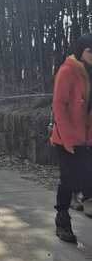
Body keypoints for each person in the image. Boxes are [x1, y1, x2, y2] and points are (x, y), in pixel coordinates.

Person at [51, 33, 92, 244]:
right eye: (90, 51)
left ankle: (85, 204)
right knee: (68, 179)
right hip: (66, 137)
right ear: (81, 51)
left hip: (87, 137)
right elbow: (59, 107)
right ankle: (62, 220)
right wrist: (66, 139)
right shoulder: (67, 71)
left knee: (85, 175)